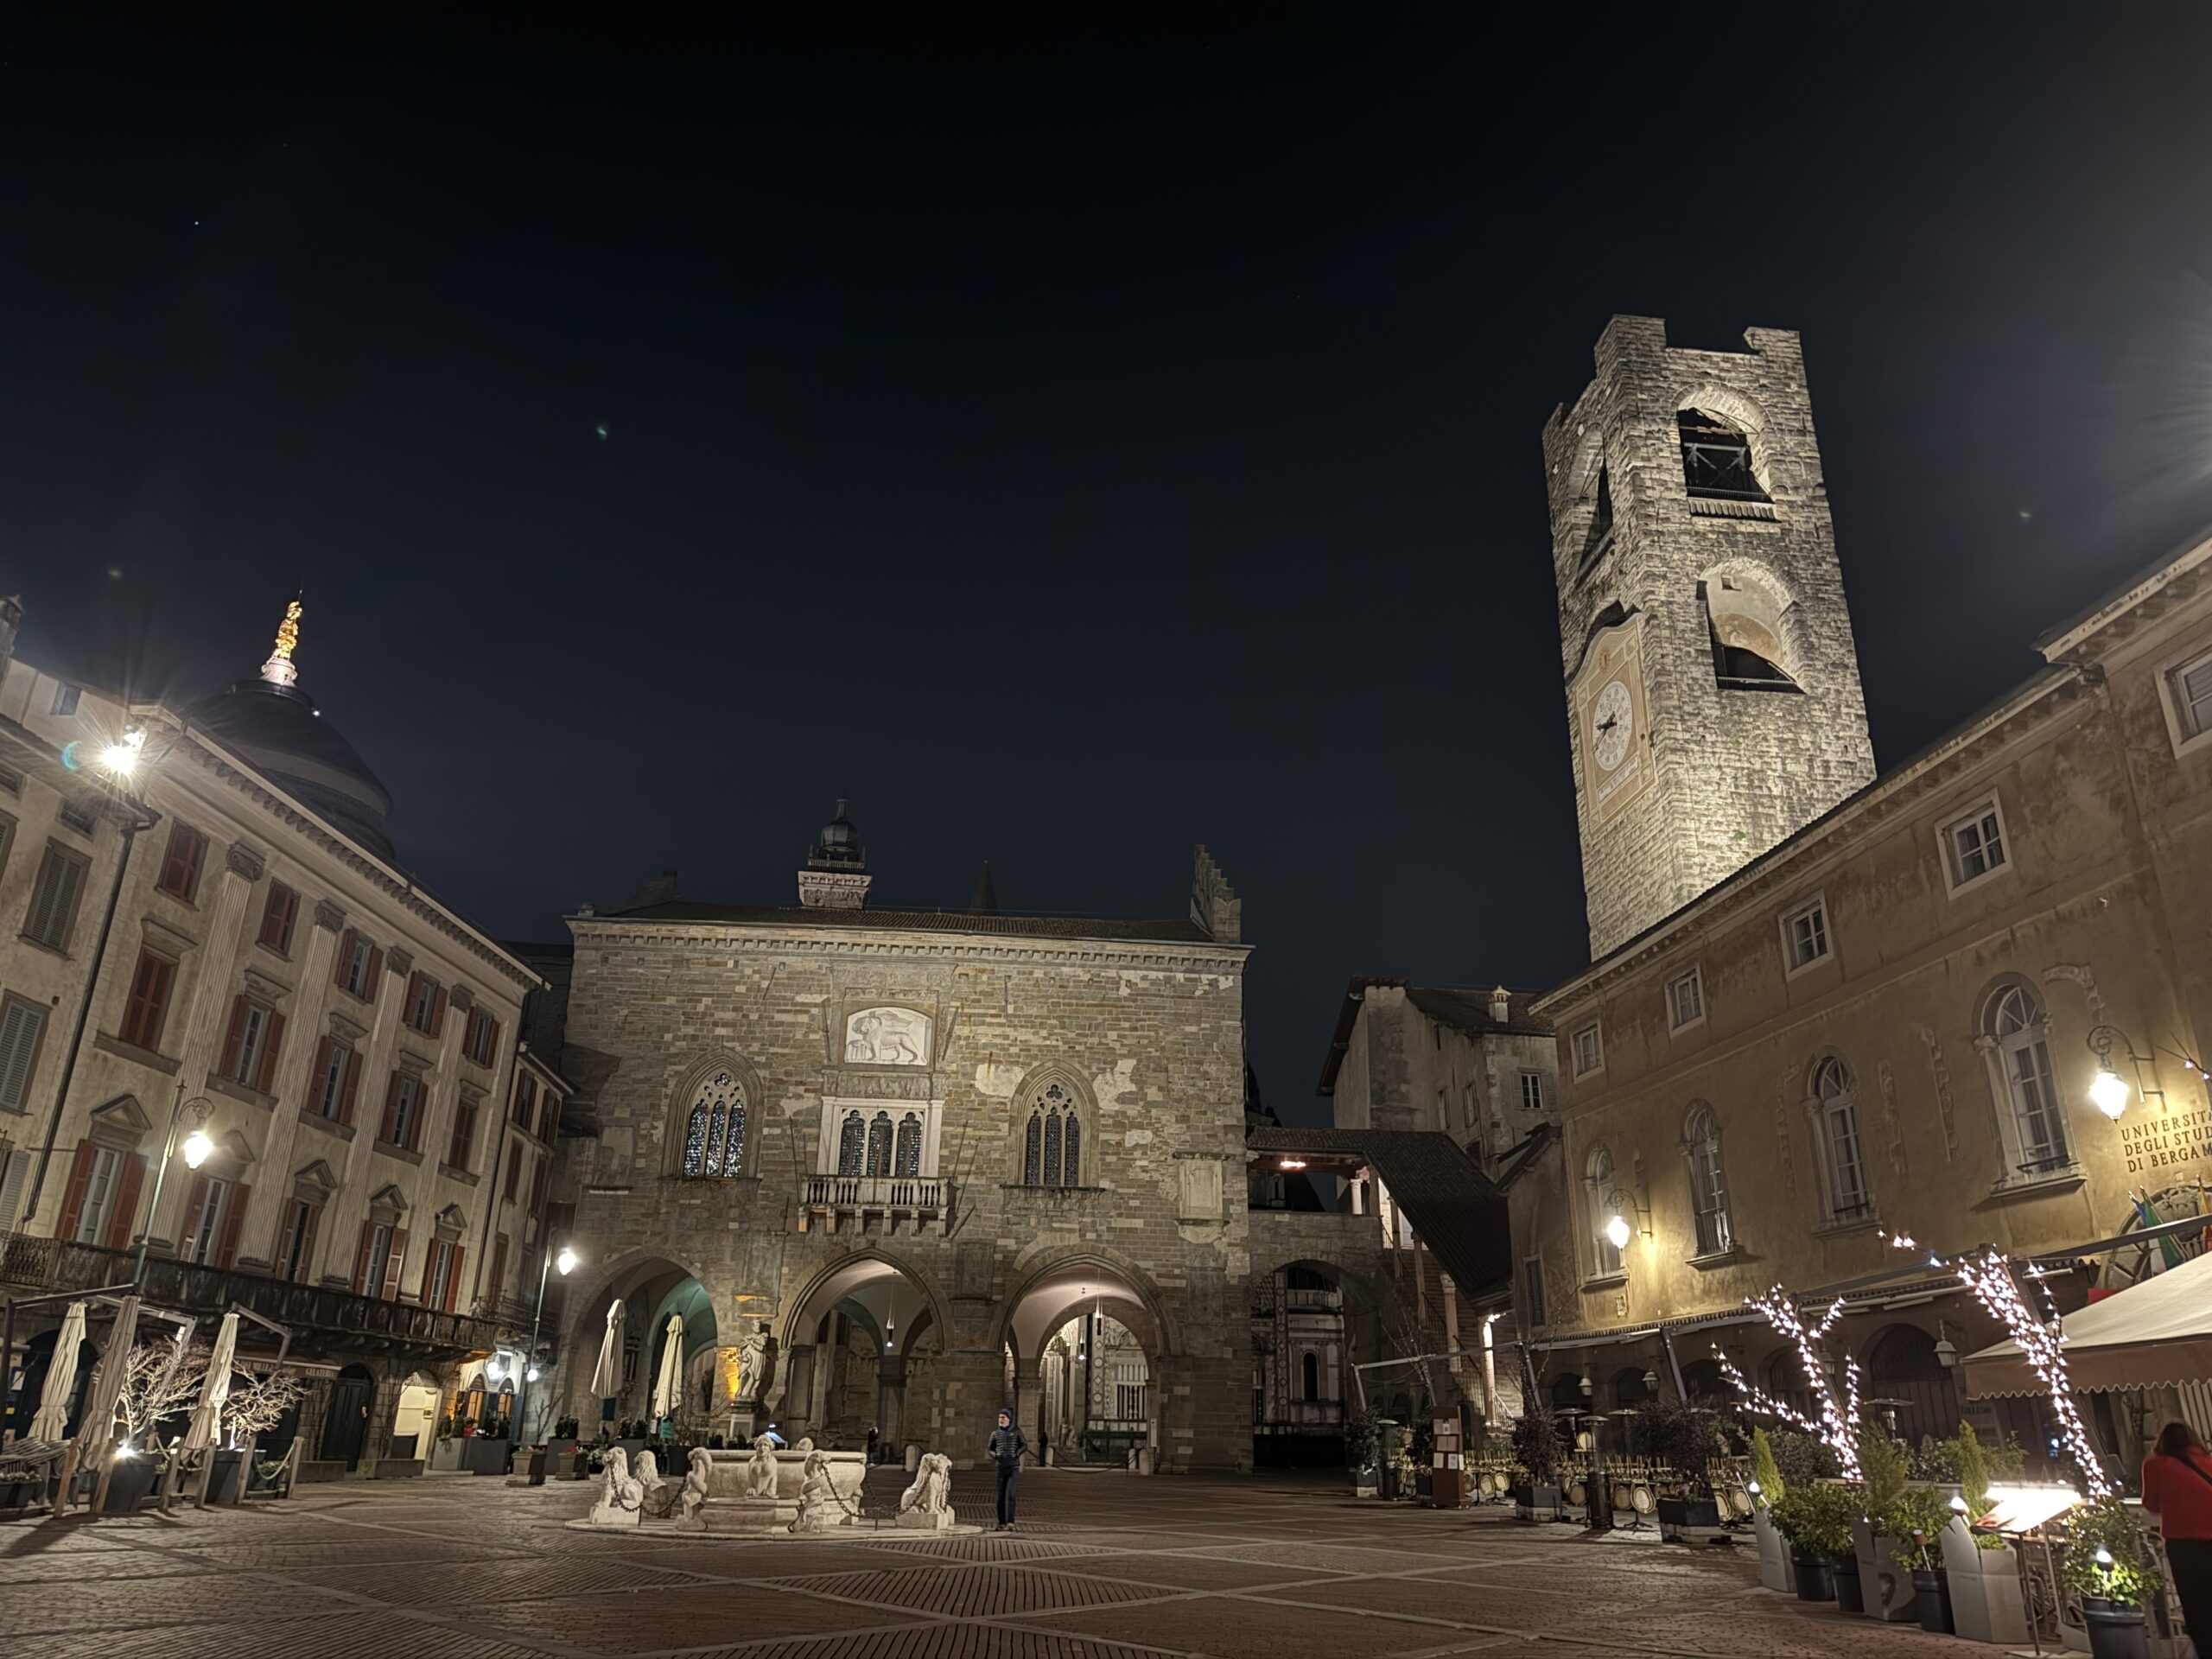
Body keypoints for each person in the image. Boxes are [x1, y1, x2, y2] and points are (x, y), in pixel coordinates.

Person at [2143, 1421, 2212, 1643]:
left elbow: (2151, 1505)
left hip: (2184, 1544)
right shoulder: (2208, 1462)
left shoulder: (2155, 1465)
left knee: (2196, 1606)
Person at [987, 1408, 1027, 1530]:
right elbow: (990, 1449)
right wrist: (996, 1456)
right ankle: (1001, 1523)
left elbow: (1024, 1445)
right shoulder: (995, 1433)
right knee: (1000, 1497)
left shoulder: (1017, 1432)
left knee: (1010, 1495)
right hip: (1000, 1468)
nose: (1001, 1420)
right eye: (1000, 1418)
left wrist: (1017, 1454)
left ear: (1009, 1419)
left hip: (1013, 1467)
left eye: (1003, 1417)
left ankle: (1010, 1522)